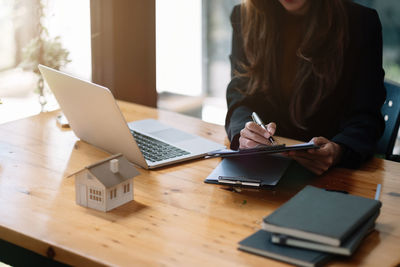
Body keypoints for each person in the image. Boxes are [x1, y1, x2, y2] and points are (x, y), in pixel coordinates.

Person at [225, 0, 386, 174]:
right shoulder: (244, 16)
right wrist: (246, 132)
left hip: (334, 174)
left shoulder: (361, 22)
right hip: (266, 167)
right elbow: (240, 95)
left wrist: (340, 150)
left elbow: (366, 116)